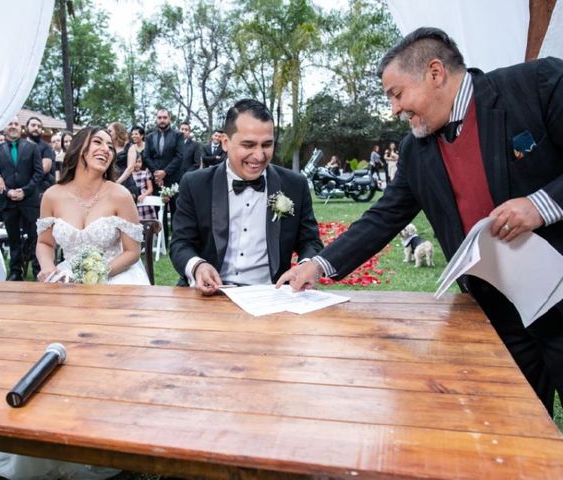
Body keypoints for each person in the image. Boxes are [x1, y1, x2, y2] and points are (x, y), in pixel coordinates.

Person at [277, 27, 563, 416]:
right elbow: (383, 217)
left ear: (434, 73)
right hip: (496, 317)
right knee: (512, 429)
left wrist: (541, 204)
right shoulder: (415, 151)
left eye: (397, 94)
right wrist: (318, 264)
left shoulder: (536, 84)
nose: (394, 109)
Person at [170, 99, 323, 295]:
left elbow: (310, 242)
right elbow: (180, 244)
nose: (259, 156)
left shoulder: (295, 185)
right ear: (225, 143)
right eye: (248, 145)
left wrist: (305, 266)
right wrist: (198, 266)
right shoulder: (195, 184)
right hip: (211, 295)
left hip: (272, 295)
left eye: (267, 145)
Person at [34, 126, 150, 286]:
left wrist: (96, 274)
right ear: (78, 148)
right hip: (68, 279)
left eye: (110, 147)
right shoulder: (52, 196)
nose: (106, 149)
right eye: (98, 142)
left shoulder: (120, 195)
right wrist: (48, 267)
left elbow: (132, 252)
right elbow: (45, 242)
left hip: (116, 276)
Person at [0, 116, 43, 281]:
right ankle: (15, 273)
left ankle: (38, 270)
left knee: (34, 237)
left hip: (29, 201)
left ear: (21, 128)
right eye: (10, 124)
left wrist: (25, 191)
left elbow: (38, 173)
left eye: (16, 124)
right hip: (9, 202)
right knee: (14, 240)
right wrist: (5, 190)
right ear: (4, 128)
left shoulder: (32, 148)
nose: (13, 126)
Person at [142, 108, 184, 247]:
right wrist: (156, 173)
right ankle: (162, 240)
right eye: (159, 117)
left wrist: (165, 172)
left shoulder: (177, 135)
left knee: (175, 210)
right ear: (156, 119)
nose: (162, 120)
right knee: (159, 210)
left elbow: (179, 156)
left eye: (165, 117)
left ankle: (177, 240)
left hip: (173, 179)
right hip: (156, 180)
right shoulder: (149, 137)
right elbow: (146, 156)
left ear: (169, 119)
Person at [26, 116, 56, 198]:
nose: (36, 128)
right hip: (22, 189)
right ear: (27, 127)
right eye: (33, 125)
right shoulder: (20, 145)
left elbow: (45, 168)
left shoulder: (46, 147)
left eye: (39, 126)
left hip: (42, 188)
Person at [109, 121, 138, 200]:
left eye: (110, 131)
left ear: (117, 132)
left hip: (126, 183)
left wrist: (117, 182)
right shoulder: (108, 147)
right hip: (110, 181)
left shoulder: (129, 147)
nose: (108, 133)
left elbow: (130, 168)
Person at [132, 154, 158, 221]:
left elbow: (150, 188)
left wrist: (144, 195)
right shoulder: (129, 174)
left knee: (147, 221)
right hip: (134, 197)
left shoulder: (145, 173)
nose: (137, 164)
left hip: (144, 198)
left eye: (139, 162)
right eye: (135, 162)